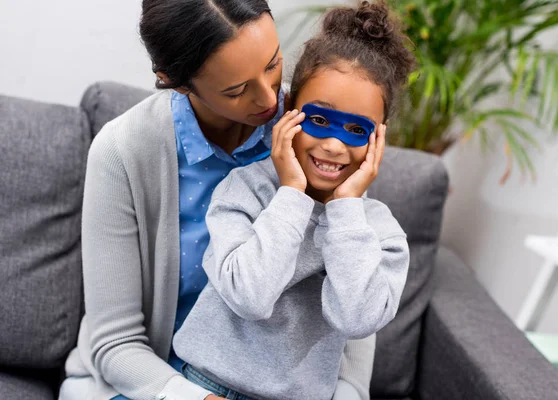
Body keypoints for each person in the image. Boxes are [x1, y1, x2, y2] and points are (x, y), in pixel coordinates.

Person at [58, 1, 377, 399]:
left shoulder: (318, 130)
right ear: (175, 81)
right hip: (153, 387)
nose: (269, 99)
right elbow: (115, 344)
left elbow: (355, 285)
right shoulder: (123, 152)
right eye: (236, 89)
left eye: (273, 64)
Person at [172, 1, 415, 399]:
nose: (334, 144)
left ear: (379, 139)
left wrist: (346, 210)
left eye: (356, 129)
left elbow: (356, 319)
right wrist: (291, 194)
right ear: (288, 110)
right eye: (319, 120)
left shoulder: (378, 232)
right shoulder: (244, 191)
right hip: (205, 387)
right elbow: (249, 297)